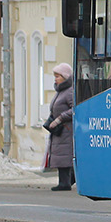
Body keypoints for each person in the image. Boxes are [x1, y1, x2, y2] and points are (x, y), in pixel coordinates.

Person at [42, 62, 75, 191]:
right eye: (55, 76)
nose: (55, 79)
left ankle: (65, 182)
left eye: (58, 76)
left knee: (64, 155)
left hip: (66, 129)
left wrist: (60, 118)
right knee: (60, 155)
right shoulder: (60, 92)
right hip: (59, 130)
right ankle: (65, 181)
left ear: (65, 77)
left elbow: (75, 109)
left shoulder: (69, 92)